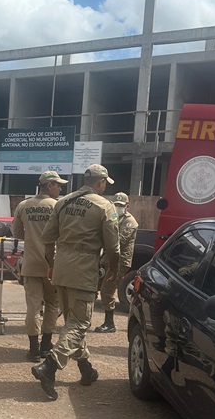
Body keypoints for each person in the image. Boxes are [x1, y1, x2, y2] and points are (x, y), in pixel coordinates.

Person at [32, 165, 120, 400]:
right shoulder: (104, 206)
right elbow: (113, 246)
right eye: (104, 183)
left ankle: (86, 370)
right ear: (100, 182)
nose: (104, 186)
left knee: (72, 323)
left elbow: (48, 238)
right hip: (84, 268)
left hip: (62, 266)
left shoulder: (63, 201)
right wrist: (114, 269)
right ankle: (49, 366)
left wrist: (51, 264)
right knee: (80, 323)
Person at [12, 170, 67, 362]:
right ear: (49, 185)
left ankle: (33, 349)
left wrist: (32, 235)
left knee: (33, 307)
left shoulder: (23, 205)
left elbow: (17, 232)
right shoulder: (58, 205)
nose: (60, 188)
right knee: (53, 304)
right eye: (58, 185)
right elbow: (64, 233)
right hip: (53, 264)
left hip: (31, 264)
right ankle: (46, 345)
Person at [94, 192, 138, 333]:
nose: (118, 207)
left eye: (121, 205)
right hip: (106, 259)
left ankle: (109, 323)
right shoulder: (112, 218)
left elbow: (119, 241)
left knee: (107, 291)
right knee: (94, 286)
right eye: (116, 205)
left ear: (127, 206)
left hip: (119, 262)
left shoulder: (130, 222)